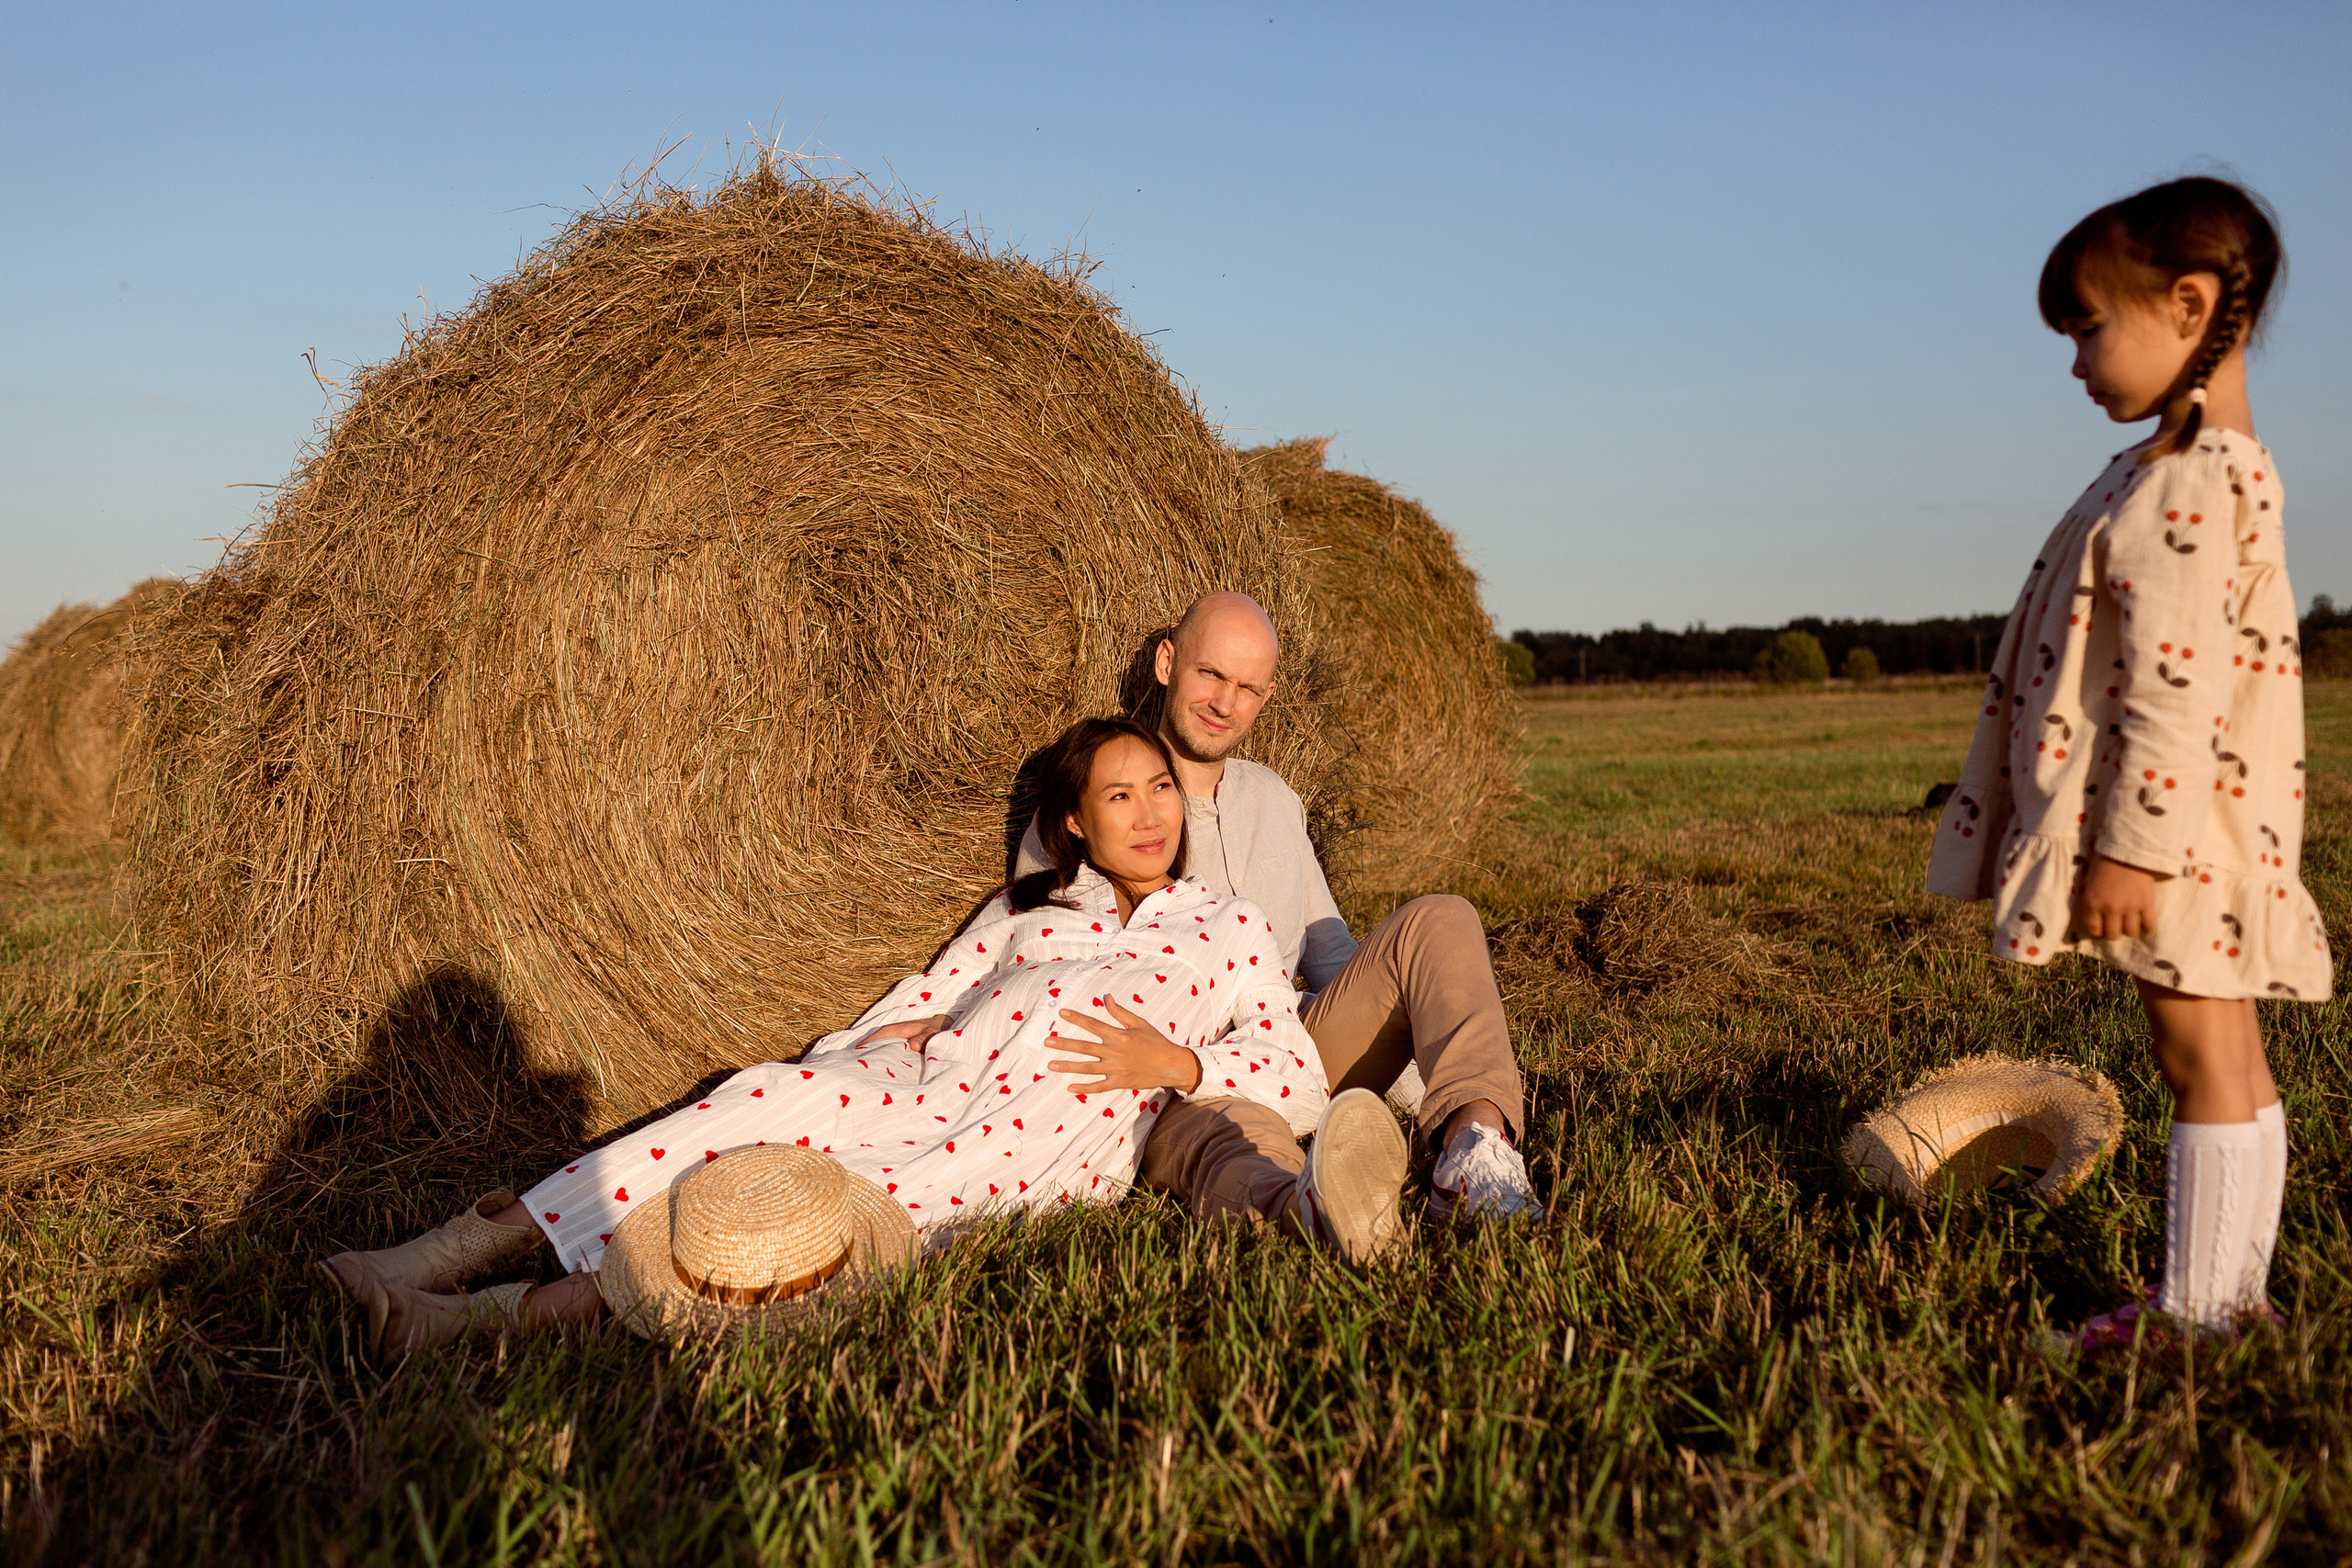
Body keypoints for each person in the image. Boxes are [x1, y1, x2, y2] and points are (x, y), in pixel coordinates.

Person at [322, 716, 1406, 1359]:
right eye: (1118, 795)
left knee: (789, 1230)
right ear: (1076, 822)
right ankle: (448, 1251)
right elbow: (918, 995)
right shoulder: (1029, 912)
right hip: (918, 1079)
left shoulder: (1223, 926)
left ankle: (482, 1323)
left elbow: (1293, 1070)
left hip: (1038, 1136)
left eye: (1160, 787)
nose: (1150, 812)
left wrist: (1180, 1066)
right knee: (751, 1101)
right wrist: (889, 1040)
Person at [1927, 177, 2327, 1350]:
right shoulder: (2202, 464)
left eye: (2088, 327)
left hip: (2174, 834)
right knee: (2226, 1052)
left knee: (2195, 1052)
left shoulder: (2189, 481)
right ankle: (2231, 1302)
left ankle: (2195, 1315)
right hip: (2207, 825)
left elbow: (2172, 691)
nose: (2073, 363)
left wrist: (2131, 852)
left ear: (2189, 305)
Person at [1017, 592, 1542, 1231]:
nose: (1224, 703)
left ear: (1267, 696)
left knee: (1442, 919)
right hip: (1161, 1081)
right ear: (1166, 663)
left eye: (1246, 687)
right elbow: (1032, 957)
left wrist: (1413, 1090)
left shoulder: (1275, 799)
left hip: (1286, 1052)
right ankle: (1317, 1211)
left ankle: (1474, 1152)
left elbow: (1334, 959)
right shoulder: (1095, 799)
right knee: (1242, 1138)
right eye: (1210, 674)